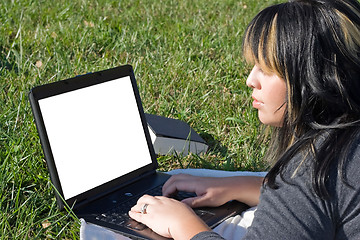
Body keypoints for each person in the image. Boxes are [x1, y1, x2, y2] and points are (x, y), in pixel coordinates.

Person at [128, 0, 360, 239]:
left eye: (267, 69)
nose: (251, 80)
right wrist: (249, 187)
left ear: (316, 77)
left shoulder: (314, 168)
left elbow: (311, 191)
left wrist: (182, 224)